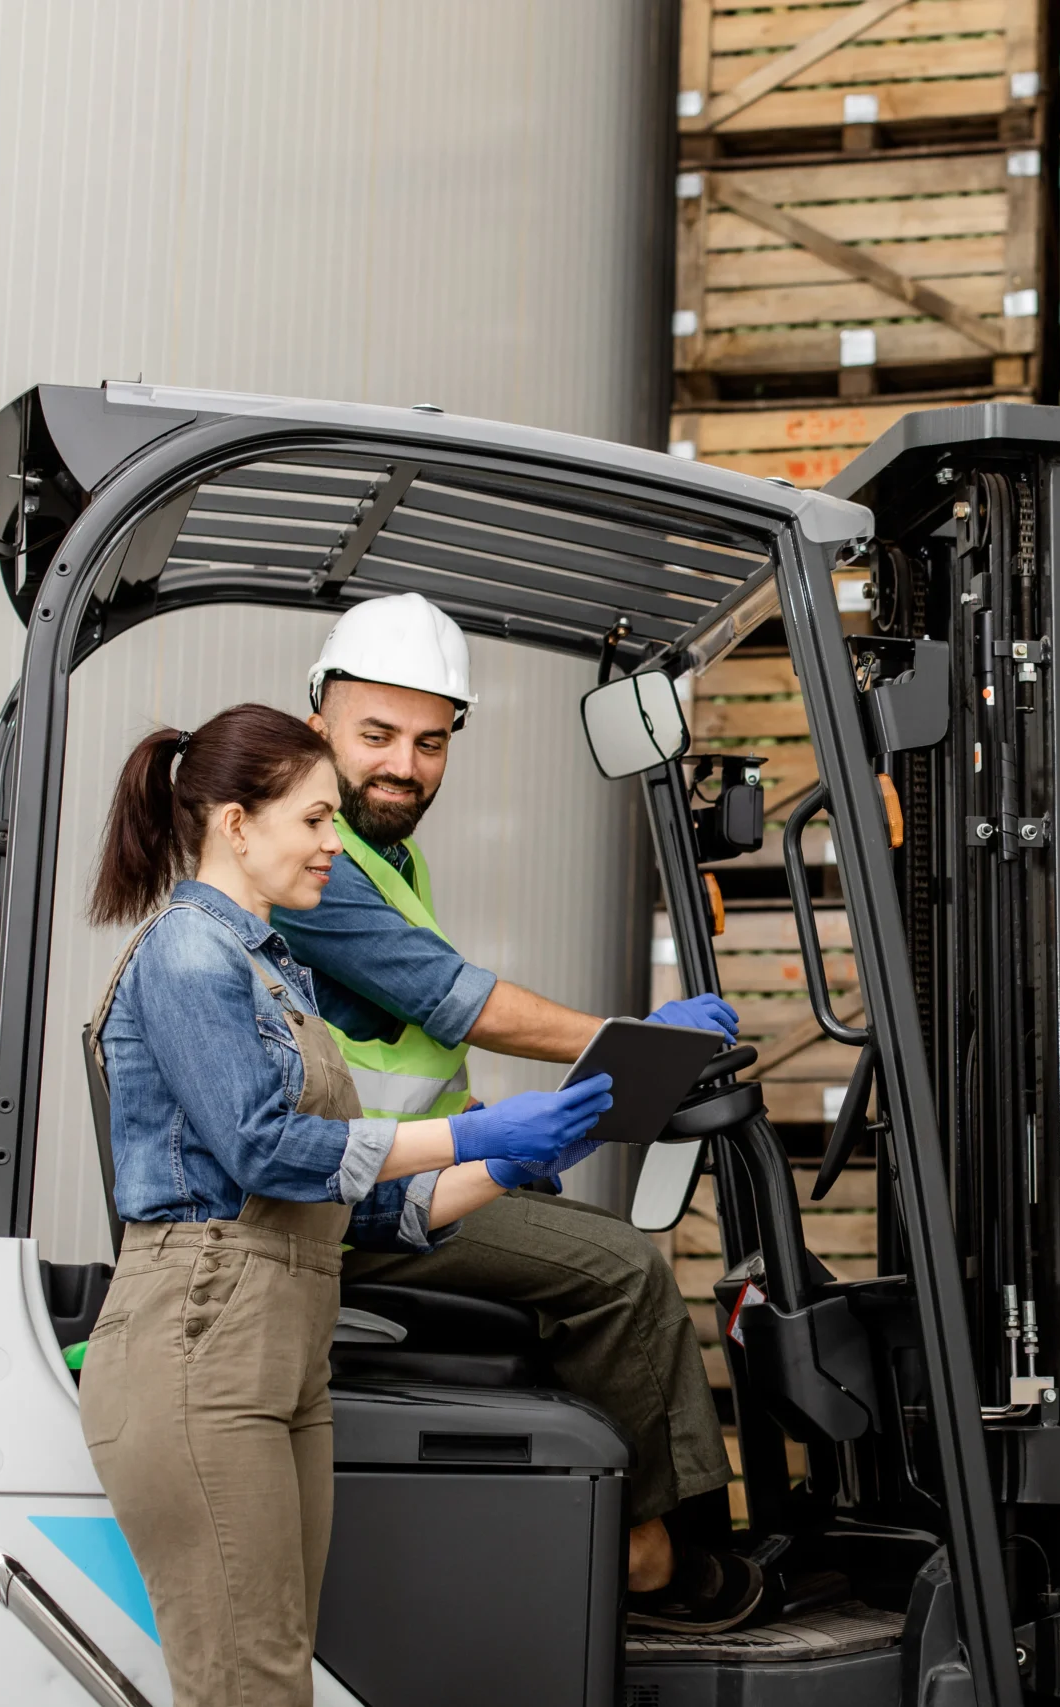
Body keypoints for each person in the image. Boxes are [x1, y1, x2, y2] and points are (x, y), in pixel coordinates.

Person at [77, 703, 616, 1707]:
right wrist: (476, 1132)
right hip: (203, 1341)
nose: (336, 845)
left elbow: (349, 1207)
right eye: (315, 820)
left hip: (285, 1338)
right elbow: (266, 1151)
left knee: (278, 1670)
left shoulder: (275, 973)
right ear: (236, 823)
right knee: (249, 1686)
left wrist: (518, 1160)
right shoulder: (189, 955)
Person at [267, 592, 757, 1630]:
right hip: (348, 1204)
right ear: (317, 721)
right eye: (377, 736)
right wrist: (639, 1045)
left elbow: (405, 1046)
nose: (404, 764)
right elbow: (464, 1003)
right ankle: (648, 1556)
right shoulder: (314, 866)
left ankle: (654, 1524)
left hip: (395, 1174)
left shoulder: (388, 858)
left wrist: (495, 1129)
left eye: (430, 742)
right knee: (621, 1269)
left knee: (595, 1247)